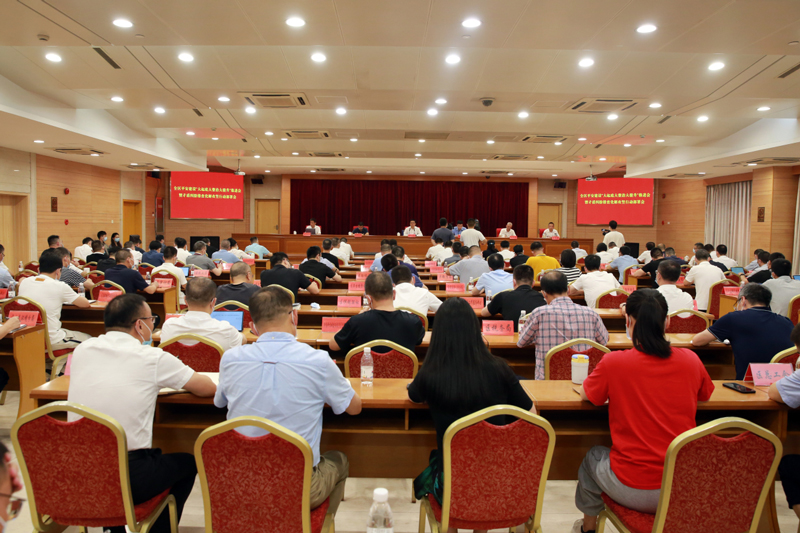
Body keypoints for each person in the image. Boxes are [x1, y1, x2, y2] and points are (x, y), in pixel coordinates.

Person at [68, 293, 216, 533]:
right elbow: (206, 388)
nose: (152, 325)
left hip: (80, 469)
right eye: (151, 320)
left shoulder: (83, 350)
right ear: (139, 325)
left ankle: (114, 528)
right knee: (188, 463)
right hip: (128, 475)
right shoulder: (152, 357)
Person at [572, 289, 714, 533]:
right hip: (681, 485)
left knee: (592, 456)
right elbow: (705, 394)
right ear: (667, 322)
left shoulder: (615, 362)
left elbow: (588, 395)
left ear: (628, 321)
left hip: (632, 487)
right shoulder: (691, 360)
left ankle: (588, 529)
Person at [214, 286, 360, 516]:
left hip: (241, 482)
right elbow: (354, 408)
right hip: (298, 487)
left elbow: (220, 403)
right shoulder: (318, 360)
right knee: (338, 460)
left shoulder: (230, 358)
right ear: (294, 316)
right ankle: (316, 524)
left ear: (253, 325)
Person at [410, 297, 534, 506]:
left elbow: (414, 396)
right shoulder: (500, 368)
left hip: (451, 486)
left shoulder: (429, 374)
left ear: (438, 333)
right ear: (475, 329)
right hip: (498, 480)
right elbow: (532, 414)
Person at [692, 283, 793, 380]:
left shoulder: (733, 318)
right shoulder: (786, 322)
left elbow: (697, 341)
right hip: (784, 384)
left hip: (748, 384)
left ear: (743, 300)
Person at [519, 271, 609, 380]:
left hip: (548, 383)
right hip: (584, 382)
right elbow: (604, 341)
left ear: (544, 294)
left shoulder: (539, 313)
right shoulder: (591, 313)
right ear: (568, 289)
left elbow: (521, 342)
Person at [329, 272, 425, 355]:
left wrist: (357, 318)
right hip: (403, 371)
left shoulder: (357, 321)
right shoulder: (413, 321)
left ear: (368, 299)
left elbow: (333, 346)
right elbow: (418, 341)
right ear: (394, 294)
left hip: (366, 371)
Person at [18, 251, 92, 351]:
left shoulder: (25, 282)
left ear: (38, 269)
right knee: (90, 340)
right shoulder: (60, 286)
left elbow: (21, 280)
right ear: (58, 271)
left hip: (26, 337)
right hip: (51, 340)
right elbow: (85, 304)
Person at [161, 277, 246, 351]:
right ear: (213, 302)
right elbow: (243, 340)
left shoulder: (169, 326)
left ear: (185, 300)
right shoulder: (226, 330)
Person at [483, 264, 546, 331]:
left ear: (514, 282)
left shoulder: (503, 296)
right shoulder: (543, 298)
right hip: (535, 336)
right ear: (533, 283)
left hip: (509, 335)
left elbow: (484, 313)